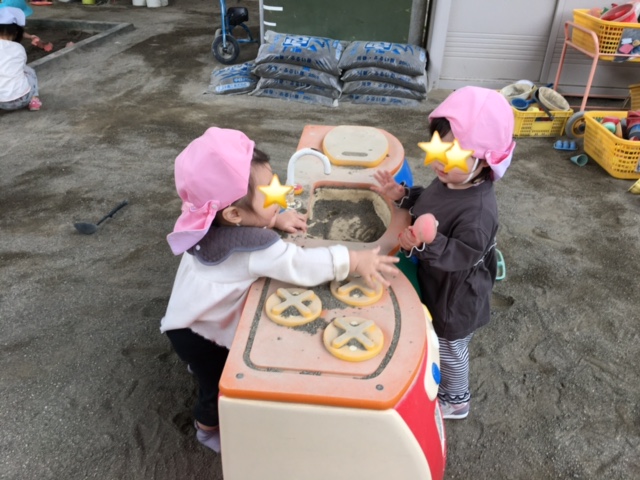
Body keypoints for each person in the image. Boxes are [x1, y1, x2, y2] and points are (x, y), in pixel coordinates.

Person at [160, 127, 399, 452]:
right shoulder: (256, 250)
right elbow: (299, 264)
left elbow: (248, 222)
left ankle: (196, 365)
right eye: (268, 193)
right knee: (215, 385)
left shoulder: (208, 221)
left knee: (203, 363)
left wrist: (274, 219)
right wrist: (353, 260)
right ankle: (206, 427)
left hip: (185, 315)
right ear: (234, 213)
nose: (279, 194)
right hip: (200, 333)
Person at [372, 86, 515, 420]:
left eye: (450, 153)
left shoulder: (478, 212)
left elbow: (463, 254)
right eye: (437, 147)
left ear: (485, 160)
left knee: (451, 347)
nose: (437, 160)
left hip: (457, 298)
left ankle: (457, 399)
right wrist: (404, 195)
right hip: (437, 281)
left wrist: (426, 242)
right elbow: (430, 201)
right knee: (437, 337)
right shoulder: (453, 178)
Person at [0, 6, 41, 111]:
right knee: (29, 71)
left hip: (1, 103)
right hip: (22, 99)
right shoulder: (18, 48)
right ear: (16, 33)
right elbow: (21, 67)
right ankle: (34, 100)